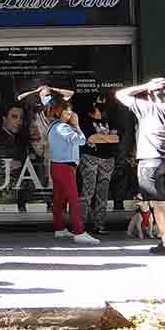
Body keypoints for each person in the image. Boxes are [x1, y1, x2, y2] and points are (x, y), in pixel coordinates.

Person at [116, 77, 165, 255]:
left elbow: (119, 94)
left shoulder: (146, 107)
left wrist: (146, 86)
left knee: (159, 205)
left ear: (151, 94)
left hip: (150, 161)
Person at [43, 92, 99, 245]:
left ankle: (59, 228)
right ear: (59, 112)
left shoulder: (53, 126)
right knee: (73, 199)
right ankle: (79, 231)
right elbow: (80, 141)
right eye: (67, 111)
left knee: (59, 199)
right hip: (66, 167)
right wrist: (77, 125)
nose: (70, 114)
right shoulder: (63, 128)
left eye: (70, 110)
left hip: (57, 166)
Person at [78, 95, 121, 235]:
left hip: (108, 159)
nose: (100, 105)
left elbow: (116, 138)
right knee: (87, 192)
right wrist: (105, 138)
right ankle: (81, 225)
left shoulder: (109, 119)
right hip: (90, 157)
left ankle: (99, 225)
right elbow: (90, 138)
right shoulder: (84, 120)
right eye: (97, 102)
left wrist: (100, 138)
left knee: (103, 192)